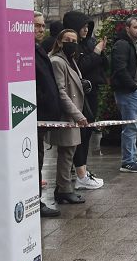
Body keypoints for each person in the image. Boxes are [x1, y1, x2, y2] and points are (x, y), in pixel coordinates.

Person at [64, 11, 105, 190]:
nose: (86, 29)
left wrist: (99, 53)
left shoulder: (87, 44)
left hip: (91, 93)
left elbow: (101, 65)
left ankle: (82, 170)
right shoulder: (73, 47)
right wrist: (96, 53)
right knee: (81, 135)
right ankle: (80, 173)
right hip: (80, 97)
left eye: (88, 26)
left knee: (86, 135)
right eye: (83, 25)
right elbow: (80, 67)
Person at [47, 29, 88, 206]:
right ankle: (64, 190)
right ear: (60, 41)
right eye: (67, 39)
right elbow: (61, 91)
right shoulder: (57, 61)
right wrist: (77, 115)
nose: (72, 42)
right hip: (67, 115)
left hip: (73, 114)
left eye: (74, 40)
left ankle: (64, 188)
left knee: (69, 152)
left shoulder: (70, 60)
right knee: (66, 153)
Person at [112, 16, 137, 173]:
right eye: (136, 27)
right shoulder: (122, 45)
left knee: (135, 127)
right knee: (130, 127)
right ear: (127, 28)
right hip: (129, 92)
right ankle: (128, 161)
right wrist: (133, 87)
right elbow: (120, 68)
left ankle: (133, 158)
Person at [34, 12, 62, 218]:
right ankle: (35, 201)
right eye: (36, 26)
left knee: (39, 156)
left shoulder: (37, 49)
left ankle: (37, 199)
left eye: (42, 26)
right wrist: (44, 99)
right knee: (35, 157)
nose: (41, 30)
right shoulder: (25, 51)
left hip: (43, 114)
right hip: (35, 114)